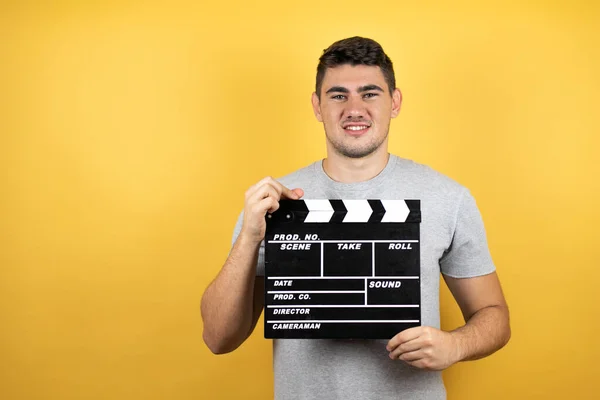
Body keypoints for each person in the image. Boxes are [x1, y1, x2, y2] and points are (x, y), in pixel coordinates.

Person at [201, 36, 511, 399]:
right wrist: (249, 238)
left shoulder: (447, 198)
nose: (354, 108)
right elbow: (218, 338)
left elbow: (494, 315)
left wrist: (455, 346)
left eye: (370, 93)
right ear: (317, 106)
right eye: (337, 95)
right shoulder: (273, 202)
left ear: (394, 102)